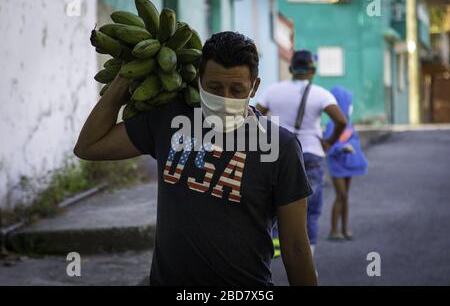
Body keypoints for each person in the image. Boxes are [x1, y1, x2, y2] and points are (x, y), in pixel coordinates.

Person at [74, 32, 317, 286]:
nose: (224, 98)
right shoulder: (169, 119)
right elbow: (89, 146)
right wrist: (124, 79)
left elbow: (296, 246)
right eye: (214, 87)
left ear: (254, 87)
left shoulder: (280, 146)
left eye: (236, 90)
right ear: (199, 79)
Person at [256, 50, 347, 256]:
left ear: (290, 69)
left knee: (277, 203)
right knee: (310, 210)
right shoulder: (321, 94)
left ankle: (275, 247)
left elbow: (256, 114)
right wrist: (329, 142)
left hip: (278, 152)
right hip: (311, 153)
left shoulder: (272, 91)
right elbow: (341, 120)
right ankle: (308, 254)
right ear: (312, 71)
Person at [324, 86, 368, 241]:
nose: (351, 107)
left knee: (345, 196)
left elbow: (354, 140)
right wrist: (342, 148)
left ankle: (345, 228)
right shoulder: (332, 125)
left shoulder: (349, 124)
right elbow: (329, 146)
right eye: (348, 103)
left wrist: (351, 147)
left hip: (348, 165)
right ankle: (334, 230)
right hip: (337, 166)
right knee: (340, 195)